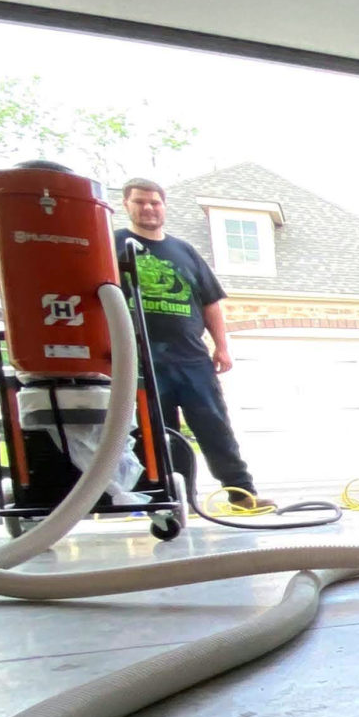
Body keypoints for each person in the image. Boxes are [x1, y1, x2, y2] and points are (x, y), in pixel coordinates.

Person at [116, 178, 257, 505]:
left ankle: (242, 493)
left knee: (215, 427)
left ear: (164, 206)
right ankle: (173, 501)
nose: (148, 208)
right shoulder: (115, 245)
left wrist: (222, 346)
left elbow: (210, 301)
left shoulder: (184, 251)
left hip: (192, 359)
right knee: (158, 435)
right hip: (142, 360)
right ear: (127, 205)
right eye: (140, 202)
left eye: (155, 202)